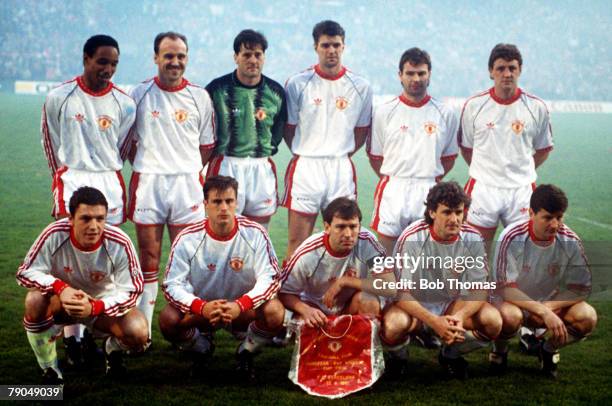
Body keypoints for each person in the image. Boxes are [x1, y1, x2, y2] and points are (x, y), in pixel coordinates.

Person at [40, 34, 136, 366]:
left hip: (108, 181)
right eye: (102, 62)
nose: (108, 69)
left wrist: (106, 169)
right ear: (86, 59)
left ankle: (105, 332)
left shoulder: (125, 102)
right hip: (72, 178)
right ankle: (74, 341)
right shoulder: (59, 96)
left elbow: (122, 148)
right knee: (70, 260)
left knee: (105, 260)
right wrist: (62, 176)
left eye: (113, 64)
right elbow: (50, 143)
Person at [128, 32, 216, 339]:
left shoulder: (199, 96)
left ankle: (191, 329)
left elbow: (207, 145)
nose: (175, 62)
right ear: (155, 58)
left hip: (186, 185)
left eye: (181, 56)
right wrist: (153, 164)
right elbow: (127, 142)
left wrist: (183, 166)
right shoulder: (138, 94)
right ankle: (144, 330)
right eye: (168, 55)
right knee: (148, 259)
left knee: (188, 261)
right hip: (149, 182)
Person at [159, 176, 285, 381]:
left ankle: (246, 352)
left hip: (242, 311)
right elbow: (172, 284)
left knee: (275, 311)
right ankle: (201, 348)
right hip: (203, 312)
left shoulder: (255, 233)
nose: (224, 207)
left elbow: (269, 279)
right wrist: (201, 307)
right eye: (217, 202)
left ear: (236, 202)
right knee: (168, 319)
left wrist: (240, 305)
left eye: (229, 201)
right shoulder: (187, 238)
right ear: (205, 204)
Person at [16, 187, 147, 384]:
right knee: (34, 300)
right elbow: (25, 271)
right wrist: (61, 288)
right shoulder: (54, 234)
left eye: (100, 218)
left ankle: (111, 350)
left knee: (138, 332)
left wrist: (95, 307)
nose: (94, 226)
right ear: (71, 218)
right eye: (86, 218)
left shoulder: (119, 242)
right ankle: (50, 369)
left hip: (102, 310)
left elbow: (133, 290)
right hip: (62, 305)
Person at [380, 182, 501, 379]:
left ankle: (450, 355)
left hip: (451, 305)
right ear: (432, 212)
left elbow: (479, 288)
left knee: (493, 321)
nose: (454, 219)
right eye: (447, 212)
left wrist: (460, 318)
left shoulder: (473, 238)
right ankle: (399, 357)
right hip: (416, 306)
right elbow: (401, 293)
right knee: (394, 324)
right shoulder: (413, 237)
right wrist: (434, 322)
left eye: (458, 212)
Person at [282, 20, 373, 260]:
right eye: (325, 45)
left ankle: (339, 295)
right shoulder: (297, 84)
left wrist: (338, 151)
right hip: (307, 167)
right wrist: (310, 149)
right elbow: (288, 129)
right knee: (297, 241)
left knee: (344, 240)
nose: (331, 50)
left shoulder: (360, 86)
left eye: (336, 45)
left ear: (343, 47)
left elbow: (361, 131)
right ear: (316, 47)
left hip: (340, 167)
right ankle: (290, 294)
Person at [490, 184, 597, 378]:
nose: (555, 224)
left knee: (587, 317)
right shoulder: (511, 237)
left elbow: (581, 288)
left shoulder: (570, 240)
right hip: (515, 302)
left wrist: (550, 306)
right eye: (548, 217)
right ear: (531, 213)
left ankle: (547, 349)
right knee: (509, 317)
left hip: (549, 301)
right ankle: (499, 352)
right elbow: (505, 289)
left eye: (559, 217)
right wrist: (542, 311)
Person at [458, 44, 553, 245]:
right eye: (501, 68)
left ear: (520, 70)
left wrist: (519, 169)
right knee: (475, 251)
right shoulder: (474, 106)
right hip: (483, 188)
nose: (507, 74)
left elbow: (544, 148)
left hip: (521, 190)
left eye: (512, 68)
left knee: (523, 252)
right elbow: (467, 148)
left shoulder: (536, 107)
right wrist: (488, 170)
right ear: (491, 72)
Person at [367, 47, 458, 256]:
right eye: (410, 73)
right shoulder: (384, 112)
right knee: (385, 257)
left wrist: (426, 177)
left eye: (421, 73)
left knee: (424, 258)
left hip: (428, 188)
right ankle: (384, 290)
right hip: (393, 188)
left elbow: (449, 157)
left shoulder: (445, 113)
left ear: (429, 75)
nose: (416, 78)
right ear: (400, 75)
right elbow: (375, 157)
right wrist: (394, 178)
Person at [205, 29, 287, 229]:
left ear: (264, 57)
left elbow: (278, 131)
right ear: (236, 57)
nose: (253, 60)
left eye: (258, 55)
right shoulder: (216, 89)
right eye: (246, 54)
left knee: (259, 230)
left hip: (261, 166)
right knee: (223, 227)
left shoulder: (275, 92)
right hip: (226, 164)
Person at [279, 197, 394, 328]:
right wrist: (305, 310)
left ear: (360, 226)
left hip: (349, 306)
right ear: (327, 227)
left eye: (353, 227)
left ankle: (361, 344)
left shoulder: (367, 242)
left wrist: (345, 281)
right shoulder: (309, 252)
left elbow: (390, 286)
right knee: (305, 323)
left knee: (369, 301)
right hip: (315, 308)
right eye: (340, 227)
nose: (348, 234)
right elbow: (284, 292)